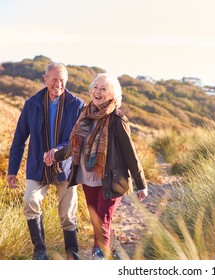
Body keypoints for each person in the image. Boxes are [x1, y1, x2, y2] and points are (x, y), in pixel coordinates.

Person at [51, 73, 148, 260]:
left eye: (103, 89)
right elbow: (74, 145)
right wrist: (55, 156)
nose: (98, 92)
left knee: (102, 220)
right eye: (95, 87)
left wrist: (141, 183)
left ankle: (99, 256)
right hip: (88, 178)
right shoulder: (85, 115)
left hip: (111, 179)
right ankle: (113, 252)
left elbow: (130, 154)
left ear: (112, 95)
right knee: (97, 220)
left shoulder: (117, 119)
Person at [7, 63, 85, 260]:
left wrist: (58, 150)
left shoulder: (77, 105)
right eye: (54, 79)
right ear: (45, 79)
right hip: (37, 166)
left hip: (65, 167)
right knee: (30, 202)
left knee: (68, 215)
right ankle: (40, 252)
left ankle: (72, 255)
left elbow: (78, 140)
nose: (58, 84)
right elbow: (19, 139)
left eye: (62, 80)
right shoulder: (31, 104)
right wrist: (12, 170)